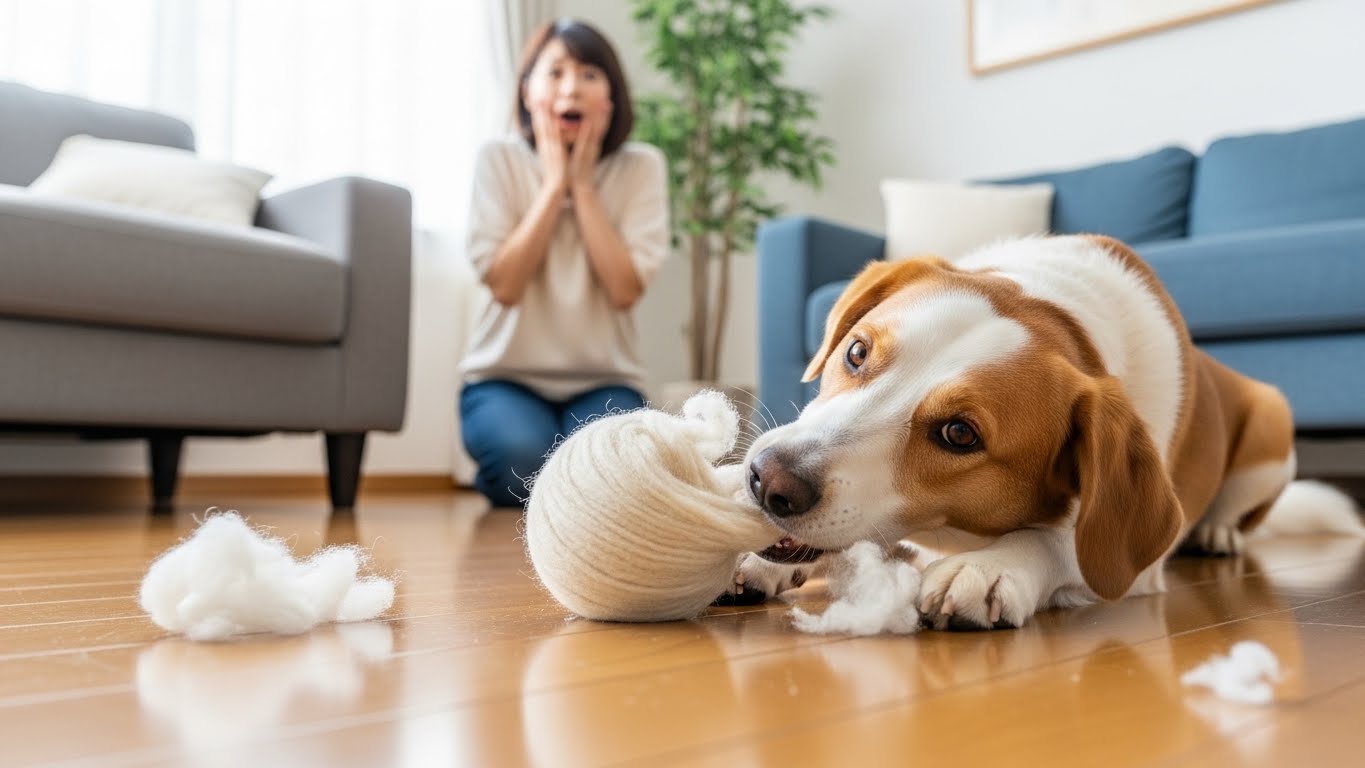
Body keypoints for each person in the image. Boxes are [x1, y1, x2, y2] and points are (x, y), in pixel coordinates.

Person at [460, 18, 670, 508]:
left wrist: (582, 188)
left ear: (610, 98)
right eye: (554, 73)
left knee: (609, 476)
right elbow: (506, 286)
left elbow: (624, 290)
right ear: (527, 93)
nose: (571, 87)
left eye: (589, 74)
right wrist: (554, 186)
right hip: (502, 379)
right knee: (523, 458)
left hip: (605, 381)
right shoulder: (498, 159)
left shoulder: (641, 167)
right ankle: (504, 469)